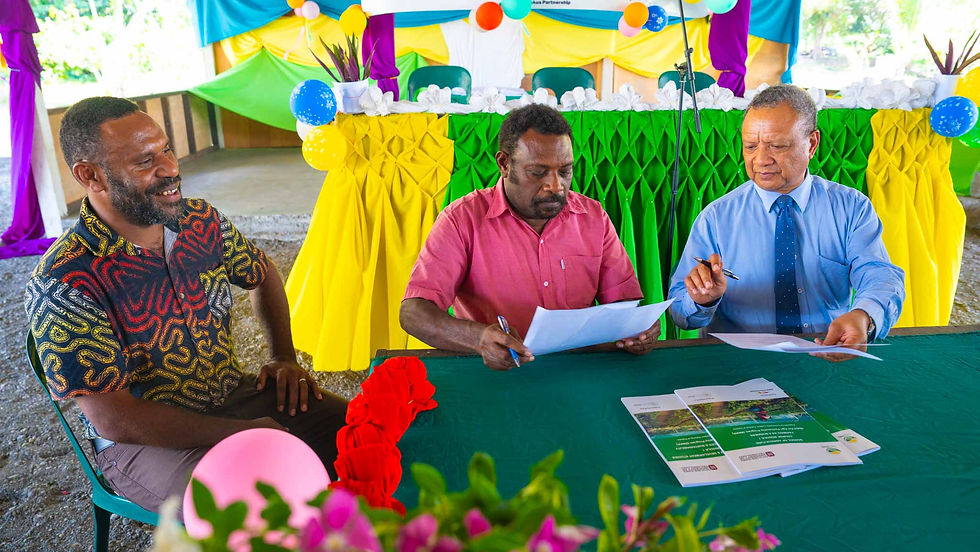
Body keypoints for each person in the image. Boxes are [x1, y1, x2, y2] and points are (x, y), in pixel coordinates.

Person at [24, 97, 347, 519]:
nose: (170, 168)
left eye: (166, 150)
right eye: (144, 161)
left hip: (233, 396)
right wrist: (242, 435)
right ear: (91, 176)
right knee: (248, 508)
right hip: (143, 444)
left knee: (372, 430)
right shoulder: (65, 280)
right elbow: (115, 420)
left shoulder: (199, 222)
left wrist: (283, 358)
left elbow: (262, 271)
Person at [400, 104, 659, 370]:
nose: (555, 186)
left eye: (565, 171)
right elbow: (414, 313)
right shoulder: (461, 219)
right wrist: (478, 339)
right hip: (497, 375)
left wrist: (638, 330)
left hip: (580, 372)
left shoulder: (593, 217)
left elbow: (623, 305)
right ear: (504, 163)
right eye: (538, 172)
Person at [668, 85, 905, 361]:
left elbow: (880, 275)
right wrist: (703, 299)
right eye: (750, 146)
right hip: (739, 364)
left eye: (777, 146)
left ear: (812, 144)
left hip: (825, 352)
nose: (761, 160)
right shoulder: (717, 217)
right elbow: (680, 314)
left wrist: (863, 316)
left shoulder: (851, 208)